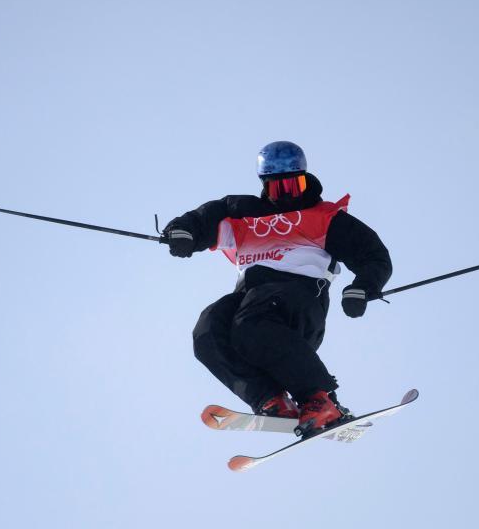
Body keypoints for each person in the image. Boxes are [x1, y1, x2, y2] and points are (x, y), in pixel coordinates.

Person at [162, 141, 392, 436]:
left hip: (299, 301)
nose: (286, 196)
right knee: (208, 330)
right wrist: (183, 232)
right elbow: (206, 217)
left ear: (305, 179)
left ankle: (319, 397)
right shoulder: (244, 214)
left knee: (253, 321)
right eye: (277, 189)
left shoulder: (325, 218)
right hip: (251, 301)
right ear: (264, 186)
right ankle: (270, 400)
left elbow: (373, 255)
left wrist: (362, 287)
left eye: (293, 187)